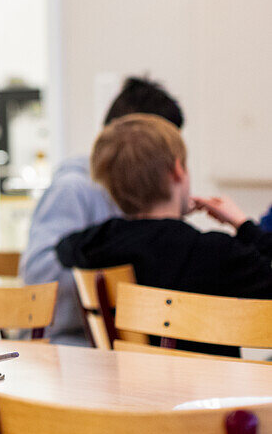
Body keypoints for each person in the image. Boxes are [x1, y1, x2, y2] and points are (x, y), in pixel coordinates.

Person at [55, 114, 272, 353]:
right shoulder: (213, 251)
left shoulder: (100, 244)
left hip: (130, 386)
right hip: (209, 388)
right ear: (178, 170)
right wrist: (243, 225)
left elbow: (64, 247)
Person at [20, 76, 184, 345]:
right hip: (66, 341)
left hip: (113, 338)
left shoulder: (140, 197)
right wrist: (120, 277)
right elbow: (39, 278)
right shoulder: (74, 188)